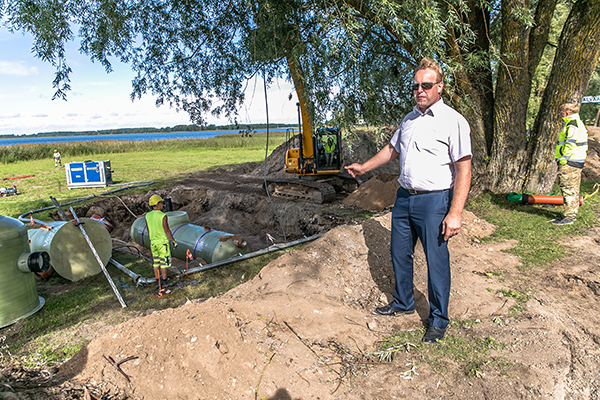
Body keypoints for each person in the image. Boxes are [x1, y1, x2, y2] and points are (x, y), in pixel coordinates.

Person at [345, 57, 472, 344]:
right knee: (399, 253)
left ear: (440, 87)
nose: (420, 90)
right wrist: (364, 167)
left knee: (436, 261)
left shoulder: (454, 121)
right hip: (404, 198)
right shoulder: (409, 118)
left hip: (434, 201)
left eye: (426, 85)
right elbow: (392, 150)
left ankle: (438, 320)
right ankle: (403, 302)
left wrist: (456, 213)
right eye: (415, 86)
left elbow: (464, 168)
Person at [553, 103, 588, 225]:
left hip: (570, 161)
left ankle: (569, 216)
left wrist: (563, 159)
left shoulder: (572, 126)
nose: (560, 113)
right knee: (573, 188)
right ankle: (570, 213)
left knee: (568, 188)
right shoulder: (576, 123)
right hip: (576, 160)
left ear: (567, 113)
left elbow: (570, 144)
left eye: (562, 111)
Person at [146, 195, 177, 289]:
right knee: (164, 263)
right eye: (161, 203)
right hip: (162, 243)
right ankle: (165, 280)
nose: (162, 204)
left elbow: (148, 229)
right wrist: (173, 240)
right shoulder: (163, 216)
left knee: (156, 262)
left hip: (153, 242)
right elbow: (166, 230)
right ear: (158, 204)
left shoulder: (148, 215)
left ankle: (157, 281)